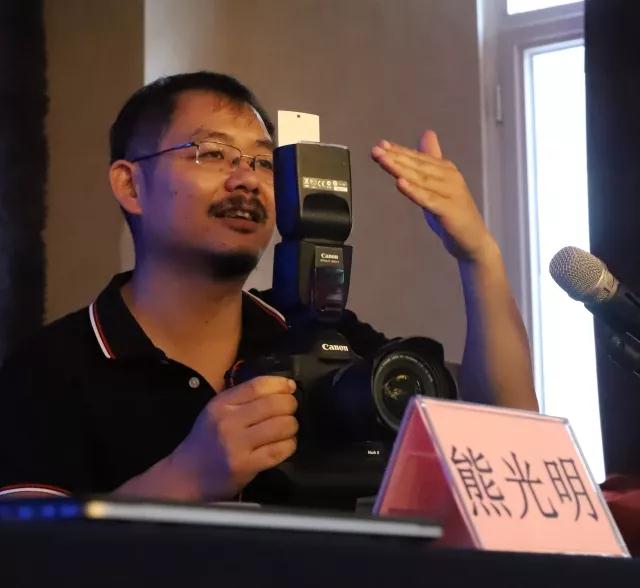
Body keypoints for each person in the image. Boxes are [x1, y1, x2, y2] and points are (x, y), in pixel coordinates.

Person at [0, 71, 537, 503]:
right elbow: (28, 559)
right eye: (212, 153)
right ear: (131, 185)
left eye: (263, 161)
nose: (248, 180)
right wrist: (186, 478)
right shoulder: (49, 370)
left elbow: (509, 454)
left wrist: (479, 257)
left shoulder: (319, 336)